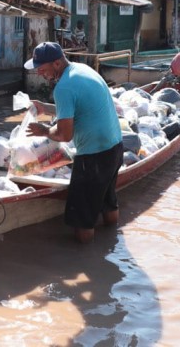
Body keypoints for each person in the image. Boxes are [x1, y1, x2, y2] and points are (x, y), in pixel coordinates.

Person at [24, 42, 123, 244]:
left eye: (42, 69)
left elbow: (64, 135)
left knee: (82, 223)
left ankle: (87, 261)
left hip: (93, 157)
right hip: (115, 147)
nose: (40, 74)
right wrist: (45, 108)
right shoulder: (82, 69)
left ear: (57, 63)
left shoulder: (64, 87)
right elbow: (77, 107)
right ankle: (112, 246)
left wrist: (43, 131)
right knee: (109, 204)